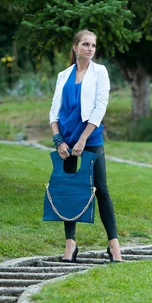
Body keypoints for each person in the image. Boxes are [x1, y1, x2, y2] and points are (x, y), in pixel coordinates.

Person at [48, 29, 123, 263]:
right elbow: (54, 110)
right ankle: (70, 244)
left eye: (93, 45)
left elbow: (100, 107)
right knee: (70, 189)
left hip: (90, 139)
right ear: (75, 47)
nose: (90, 48)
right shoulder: (64, 75)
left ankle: (114, 246)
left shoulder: (100, 72)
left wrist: (83, 139)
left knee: (101, 189)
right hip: (66, 142)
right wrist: (59, 140)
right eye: (86, 44)